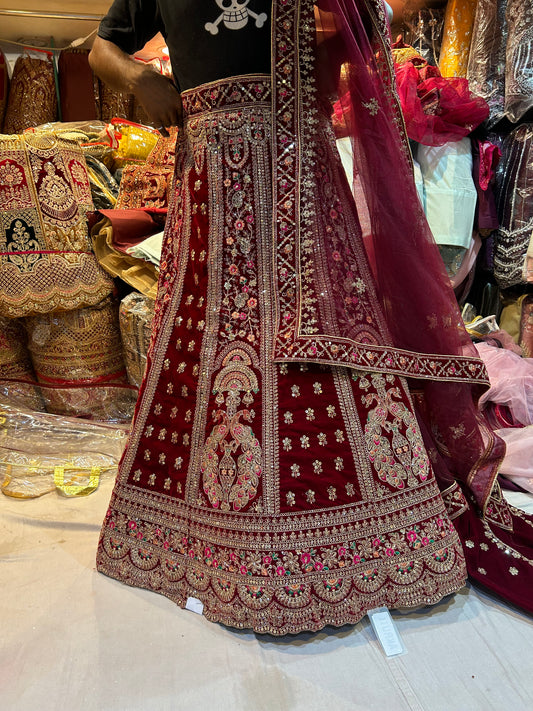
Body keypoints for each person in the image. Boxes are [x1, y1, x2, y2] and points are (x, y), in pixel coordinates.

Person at [91, 0, 533, 635]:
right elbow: (100, 47)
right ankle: (204, 530)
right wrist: (140, 81)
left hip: (302, 175)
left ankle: (364, 537)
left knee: (327, 332)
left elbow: (362, 36)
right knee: (207, 342)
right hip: (209, 177)